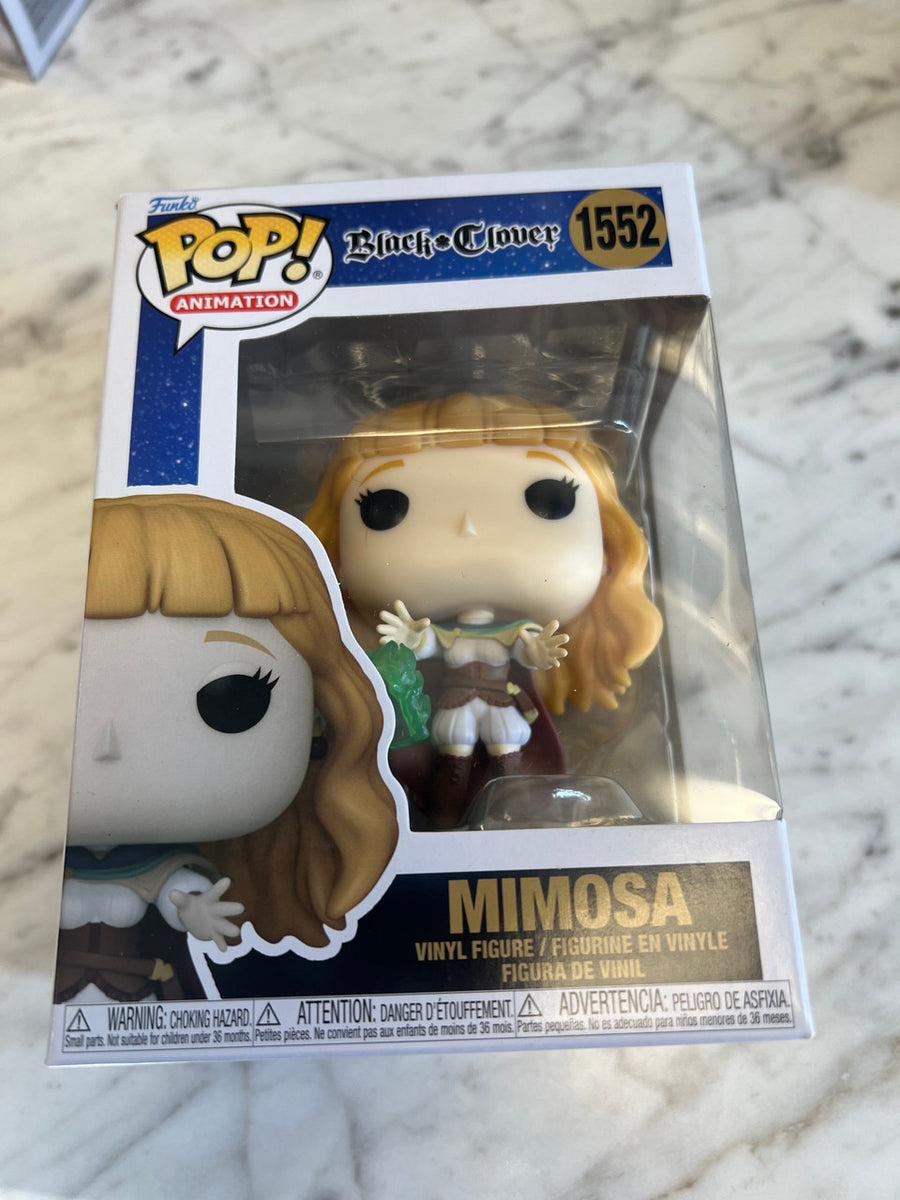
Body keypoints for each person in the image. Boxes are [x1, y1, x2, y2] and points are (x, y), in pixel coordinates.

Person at [55, 494, 398, 1002]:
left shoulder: (166, 871)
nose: (108, 744)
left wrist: (197, 912)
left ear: (321, 716)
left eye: (234, 698)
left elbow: (187, 899)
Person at [306, 392, 662, 827]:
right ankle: (449, 806)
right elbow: (425, 643)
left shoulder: (516, 633)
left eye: (551, 499)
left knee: (506, 753)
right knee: (455, 760)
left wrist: (539, 652)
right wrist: (408, 640)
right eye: (385, 506)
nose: (468, 526)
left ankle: (515, 798)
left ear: (609, 547)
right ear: (335, 555)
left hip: (497, 705)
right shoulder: (447, 636)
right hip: (454, 707)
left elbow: (524, 651)